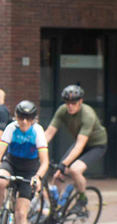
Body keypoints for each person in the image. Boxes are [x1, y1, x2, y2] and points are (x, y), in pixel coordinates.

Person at [0, 100, 48, 224]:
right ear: (16, 117)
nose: (24, 122)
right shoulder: (11, 128)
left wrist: (38, 177)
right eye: (21, 117)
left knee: (21, 213)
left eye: (28, 118)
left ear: (34, 119)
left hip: (29, 170)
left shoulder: (37, 131)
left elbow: (44, 162)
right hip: (11, 164)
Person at [43, 84, 107, 217]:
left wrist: (64, 164)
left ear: (80, 102)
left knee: (75, 170)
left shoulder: (87, 115)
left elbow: (79, 146)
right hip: (80, 143)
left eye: (73, 103)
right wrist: (35, 147)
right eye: (67, 103)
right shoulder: (62, 111)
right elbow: (49, 133)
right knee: (57, 175)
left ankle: (82, 200)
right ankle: (55, 209)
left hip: (96, 145)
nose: (70, 106)